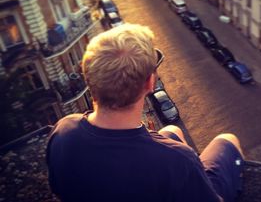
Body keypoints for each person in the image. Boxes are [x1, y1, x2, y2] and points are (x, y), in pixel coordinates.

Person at [46, 24, 244, 202]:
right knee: (227, 139)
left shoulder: (63, 130)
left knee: (172, 130)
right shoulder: (180, 159)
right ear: (150, 83)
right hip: (172, 166)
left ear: (88, 76)